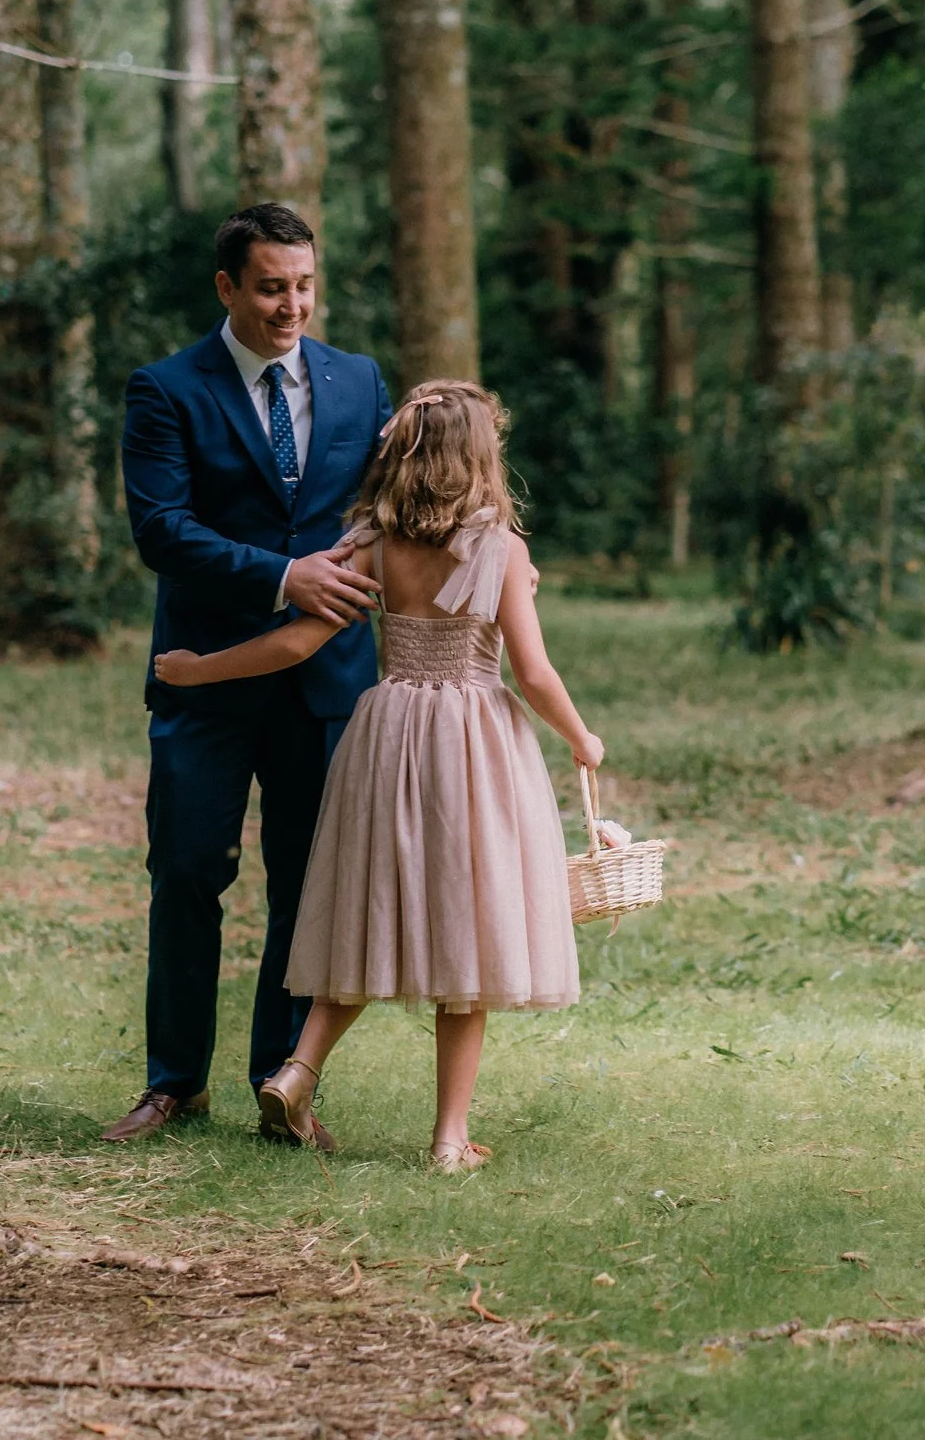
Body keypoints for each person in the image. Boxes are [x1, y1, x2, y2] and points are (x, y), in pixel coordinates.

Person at [152, 381, 598, 1173]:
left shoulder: (373, 545)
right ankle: (449, 1138)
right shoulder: (502, 551)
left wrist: (198, 669)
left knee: (370, 908)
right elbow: (531, 672)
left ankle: (297, 1071)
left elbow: (294, 644)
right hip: (470, 745)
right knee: (470, 930)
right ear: (481, 459)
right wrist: (581, 736)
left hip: (388, 734)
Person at [103, 204, 392, 1144]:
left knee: (307, 886)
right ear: (227, 286)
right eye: (271, 287)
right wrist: (282, 576)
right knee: (187, 872)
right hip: (206, 676)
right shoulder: (165, 389)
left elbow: (404, 497)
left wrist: (496, 551)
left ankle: (282, 1087)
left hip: (328, 680)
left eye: (303, 285)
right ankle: (174, 1083)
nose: (291, 305)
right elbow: (162, 529)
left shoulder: (360, 381)